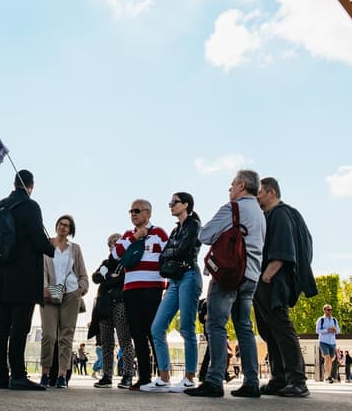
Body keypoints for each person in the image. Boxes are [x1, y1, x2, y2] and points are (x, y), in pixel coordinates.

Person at [186, 170, 265, 399]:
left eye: (232, 185)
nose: (230, 189)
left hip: (229, 274)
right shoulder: (260, 214)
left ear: (242, 185)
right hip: (251, 275)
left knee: (216, 325)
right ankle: (252, 381)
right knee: (244, 327)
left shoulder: (233, 208)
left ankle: (214, 380)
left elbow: (204, 235)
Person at [252, 176, 317, 398]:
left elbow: (283, 249)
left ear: (271, 192)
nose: (257, 197)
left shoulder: (280, 214)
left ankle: (297, 380)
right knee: (269, 330)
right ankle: (279, 378)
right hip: (270, 278)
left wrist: (267, 275)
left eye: (260, 193)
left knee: (281, 328)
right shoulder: (280, 214)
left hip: (273, 279)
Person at [0, 169, 55, 391]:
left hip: (2, 275)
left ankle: (1, 375)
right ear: (31, 185)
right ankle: (18, 375)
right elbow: (38, 239)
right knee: (19, 327)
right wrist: (51, 247)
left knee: (1, 328)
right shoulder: (30, 206)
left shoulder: (0, 205)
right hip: (24, 277)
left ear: (14, 184)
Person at [142, 191, 202, 393]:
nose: (170, 205)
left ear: (185, 205)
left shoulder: (194, 225)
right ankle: (164, 378)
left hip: (189, 276)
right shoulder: (176, 230)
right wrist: (170, 253)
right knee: (157, 327)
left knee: (186, 328)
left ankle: (189, 378)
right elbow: (163, 256)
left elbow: (182, 250)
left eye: (174, 202)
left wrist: (169, 253)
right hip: (174, 280)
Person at [112, 198, 169, 390]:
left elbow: (169, 255)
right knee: (137, 333)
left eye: (137, 210)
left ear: (148, 213)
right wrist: (136, 237)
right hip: (131, 290)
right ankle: (144, 377)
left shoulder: (159, 233)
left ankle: (163, 376)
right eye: (131, 211)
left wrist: (169, 284)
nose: (133, 214)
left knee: (154, 331)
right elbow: (116, 254)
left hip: (152, 289)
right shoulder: (128, 235)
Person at [39, 214, 89, 389]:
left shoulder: (75, 248)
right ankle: (45, 374)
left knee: (66, 336)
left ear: (70, 230)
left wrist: (79, 290)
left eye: (67, 225)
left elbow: (83, 274)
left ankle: (62, 376)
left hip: (70, 293)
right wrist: (44, 288)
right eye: (61, 224)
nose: (63, 227)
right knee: (49, 335)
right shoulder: (47, 244)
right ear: (56, 226)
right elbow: (40, 269)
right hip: (51, 291)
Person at [91, 232, 135, 389]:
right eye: (110, 243)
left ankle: (128, 374)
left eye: (117, 242)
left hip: (120, 303)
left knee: (124, 339)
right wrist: (109, 276)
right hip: (104, 305)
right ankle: (107, 375)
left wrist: (107, 276)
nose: (113, 245)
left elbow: (121, 279)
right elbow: (95, 277)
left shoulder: (127, 261)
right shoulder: (106, 262)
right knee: (106, 342)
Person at [316, 304, 340, 382]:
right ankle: (328, 376)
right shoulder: (321, 320)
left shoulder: (334, 320)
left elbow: (338, 331)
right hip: (323, 341)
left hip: (332, 342)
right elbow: (317, 331)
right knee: (327, 357)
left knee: (331, 359)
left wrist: (335, 330)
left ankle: (327, 374)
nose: (330, 311)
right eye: (328, 310)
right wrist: (327, 330)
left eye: (331, 310)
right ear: (324, 310)